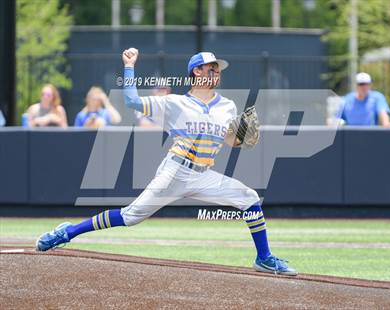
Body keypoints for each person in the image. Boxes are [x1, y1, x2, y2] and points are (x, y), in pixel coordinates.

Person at [36, 49, 297, 276]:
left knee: (249, 197)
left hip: (204, 175)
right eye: (212, 68)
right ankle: (67, 232)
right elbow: (131, 101)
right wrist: (129, 67)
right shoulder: (175, 103)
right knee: (130, 217)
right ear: (196, 71)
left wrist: (242, 138)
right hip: (175, 170)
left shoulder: (227, 106)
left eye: (218, 69)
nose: (216, 72)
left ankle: (264, 258)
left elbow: (230, 141)